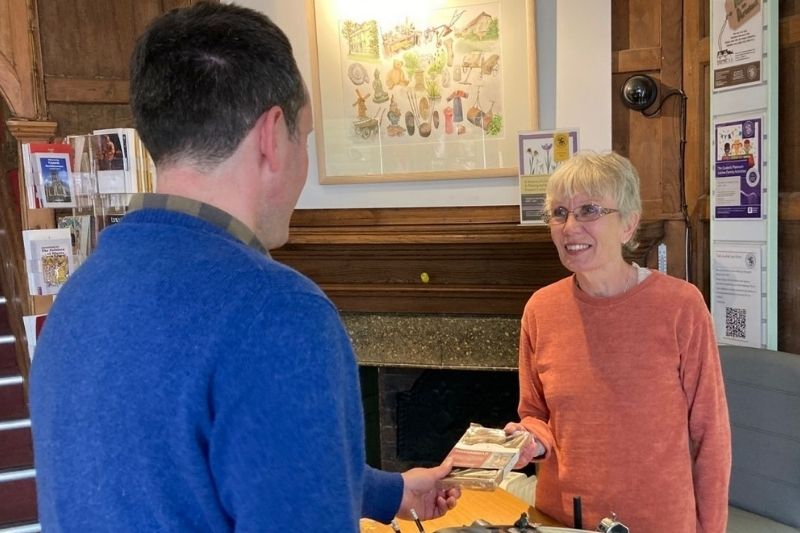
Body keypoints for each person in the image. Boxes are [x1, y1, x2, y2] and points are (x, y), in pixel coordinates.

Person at [29, 3, 458, 532]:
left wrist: (390, 491)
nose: (303, 158)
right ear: (272, 136)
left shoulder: (80, 293)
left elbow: (181, 462)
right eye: (306, 137)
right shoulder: (277, 312)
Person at [504, 151, 731, 532]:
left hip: (659, 519)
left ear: (628, 224)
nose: (570, 226)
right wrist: (531, 440)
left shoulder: (680, 305)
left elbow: (711, 434)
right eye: (559, 213)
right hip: (563, 519)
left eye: (589, 210)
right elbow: (535, 413)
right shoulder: (540, 310)